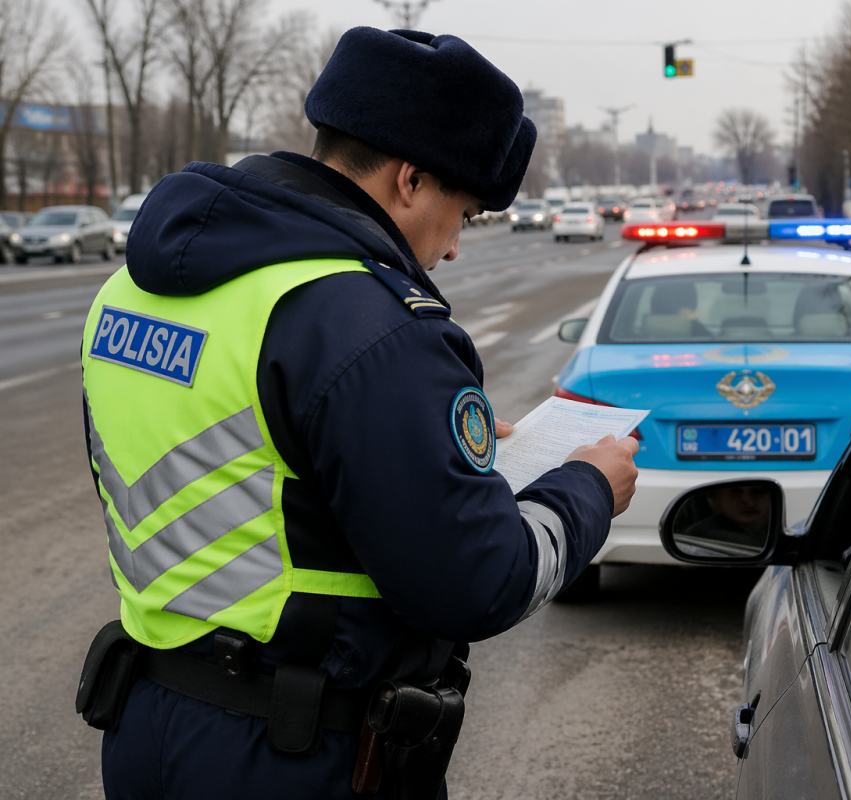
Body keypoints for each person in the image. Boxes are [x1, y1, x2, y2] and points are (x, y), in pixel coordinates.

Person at [75, 27, 638, 800]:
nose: (452, 252)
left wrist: (411, 452)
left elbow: (237, 476)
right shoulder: (368, 324)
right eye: (463, 213)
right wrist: (586, 490)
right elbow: (476, 585)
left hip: (147, 728)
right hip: (293, 756)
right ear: (410, 180)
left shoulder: (132, 291)